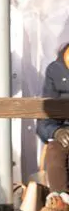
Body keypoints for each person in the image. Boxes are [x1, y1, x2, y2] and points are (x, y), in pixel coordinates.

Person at [36, 43, 69, 194]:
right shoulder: (55, 70)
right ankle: (60, 203)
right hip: (65, 132)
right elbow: (43, 122)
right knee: (55, 150)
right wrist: (57, 132)